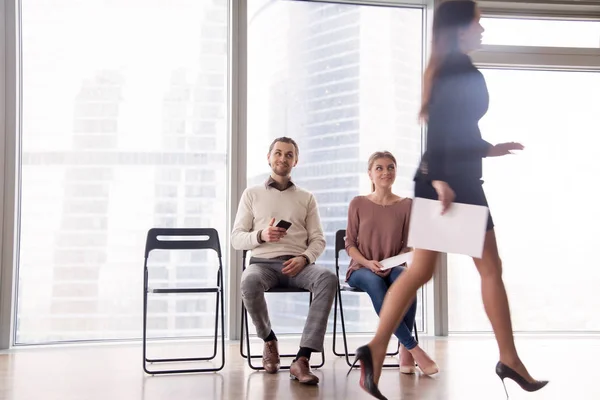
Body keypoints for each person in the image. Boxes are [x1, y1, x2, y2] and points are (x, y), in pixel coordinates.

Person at [349, 2, 549, 399]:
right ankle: (509, 358)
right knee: (490, 269)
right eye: (477, 20)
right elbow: (441, 128)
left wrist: (490, 149)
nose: (482, 27)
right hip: (453, 184)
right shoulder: (457, 68)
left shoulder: (451, 66)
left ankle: (374, 350)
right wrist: (439, 177)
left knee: (422, 270)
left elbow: (457, 128)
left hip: (445, 179)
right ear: (460, 27)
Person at [231, 136, 337, 385]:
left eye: (289, 154)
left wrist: (305, 258)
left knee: (328, 278)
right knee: (248, 281)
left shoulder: (307, 197)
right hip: (262, 264)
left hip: (298, 265)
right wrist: (261, 235)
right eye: (278, 153)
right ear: (269, 158)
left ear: (296, 161)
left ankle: (302, 359)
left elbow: (318, 240)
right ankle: (269, 340)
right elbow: (236, 239)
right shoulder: (252, 193)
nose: (283, 158)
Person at [345, 151, 437, 375]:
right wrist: (368, 263)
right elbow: (350, 244)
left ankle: (404, 348)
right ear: (370, 173)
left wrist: (393, 263)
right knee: (376, 285)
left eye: (390, 167)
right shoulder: (358, 203)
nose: (385, 172)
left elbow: (409, 245)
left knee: (407, 280)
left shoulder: (407, 205)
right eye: (379, 168)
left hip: (394, 266)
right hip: (361, 269)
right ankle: (413, 348)